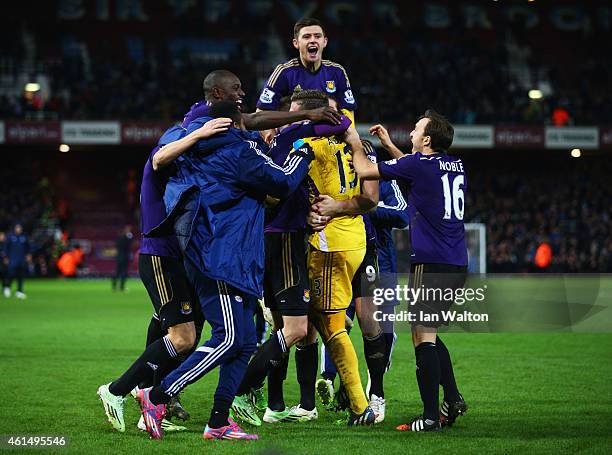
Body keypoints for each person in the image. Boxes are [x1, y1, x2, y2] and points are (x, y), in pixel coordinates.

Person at [135, 101, 316, 441]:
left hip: (235, 255)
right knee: (229, 337)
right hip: (222, 256)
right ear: (234, 123)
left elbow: (258, 200)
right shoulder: (239, 150)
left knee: (245, 344)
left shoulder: (205, 151)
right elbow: (282, 181)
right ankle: (157, 396)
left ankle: (218, 421)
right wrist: (302, 154)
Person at [97, 118, 229, 435]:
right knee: (182, 337)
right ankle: (118, 391)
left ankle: (151, 401)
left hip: (178, 261)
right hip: (159, 257)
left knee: (177, 333)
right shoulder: (161, 160)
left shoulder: (184, 175)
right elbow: (160, 156)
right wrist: (199, 134)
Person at [229, 91, 352, 426]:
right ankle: (240, 392)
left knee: (283, 328)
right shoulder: (298, 133)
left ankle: (274, 403)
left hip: (265, 240)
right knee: (297, 329)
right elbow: (343, 122)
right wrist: (321, 117)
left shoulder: (274, 142)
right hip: (285, 240)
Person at [350, 110, 469, 432]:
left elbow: (365, 170)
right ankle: (453, 397)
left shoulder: (418, 164)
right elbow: (416, 169)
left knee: (421, 337)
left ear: (427, 139)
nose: (412, 133)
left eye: (416, 130)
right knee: (430, 332)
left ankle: (430, 416)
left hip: (430, 261)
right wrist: (389, 145)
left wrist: (352, 139)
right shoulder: (453, 164)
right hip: (457, 260)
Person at [256, 17, 356, 141]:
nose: (313, 40)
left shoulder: (337, 71)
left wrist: (352, 142)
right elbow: (262, 112)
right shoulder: (284, 72)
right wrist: (272, 139)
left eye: (317, 36)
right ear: (296, 43)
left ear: (324, 42)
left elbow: (348, 111)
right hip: (292, 140)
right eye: (307, 36)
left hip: (328, 139)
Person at [3, 223, 31, 299]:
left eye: (20, 228)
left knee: (21, 276)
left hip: (21, 260)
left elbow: (28, 247)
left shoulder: (24, 237)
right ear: (15, 228)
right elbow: (5, 248)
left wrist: (28, 255)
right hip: (12, 259)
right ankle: (7, 287)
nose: (18, 229)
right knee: (11, 274)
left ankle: (19, 291)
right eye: (17, 228)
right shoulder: (10, 237)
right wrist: (5, 257)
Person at [112, 225, 133, 292]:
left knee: (117, 272)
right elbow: (129, 244)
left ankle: (114, 286)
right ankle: (121, 287)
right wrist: (129, 236)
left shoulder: (119, 237)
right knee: (124, 272)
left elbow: (117, 245)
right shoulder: (128, 237)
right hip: (124, 257)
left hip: (119, 256)